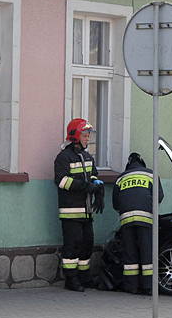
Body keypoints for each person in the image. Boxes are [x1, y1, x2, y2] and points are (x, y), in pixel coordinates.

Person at [54, 118, 104, 292]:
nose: (87, 138)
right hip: (70, 212)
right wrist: (85, 186)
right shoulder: (63, 157)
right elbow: (61, 181)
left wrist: (98, 188)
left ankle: (84, 277)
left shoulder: (87, 156)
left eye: (88, 134)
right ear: (74, 136)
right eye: (84, 134)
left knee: (87, 244)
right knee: (72, 246)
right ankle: (71, 279)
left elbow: (93, 175)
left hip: (87, 211)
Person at [112, 152, 163, 294]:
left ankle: (131, 286)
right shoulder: (151, 174)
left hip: (126, 220)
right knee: (147, 253)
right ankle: (148, 287)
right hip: (145, 219)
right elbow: (159, 196)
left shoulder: (121, 177)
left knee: (130, 253)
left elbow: (115, 203)